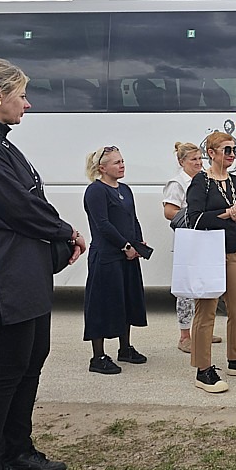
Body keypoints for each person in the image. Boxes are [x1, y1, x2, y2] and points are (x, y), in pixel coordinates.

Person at [0, 57, 85, 470]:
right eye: (22, 95)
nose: (27, 105)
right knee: (3, 370)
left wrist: (52, 242)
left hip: (22, 276)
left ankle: (17, 449)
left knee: (30, 364)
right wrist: (64, 231)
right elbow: (14, 204)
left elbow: (26, 199)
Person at [186, 131, 236, 393]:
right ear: (212, 153)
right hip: (209, 253)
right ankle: (203, 369)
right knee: (206, 311)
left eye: (235, 151)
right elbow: (194, 219)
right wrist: (226, 214)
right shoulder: (201, 182)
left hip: (233, 251)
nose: (232, 155)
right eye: (227, 150)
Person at [83, 146, 148, 374]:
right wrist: (125, 245)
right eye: (116, 162)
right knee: (102, 304)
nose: (122, 165)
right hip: (107, 257)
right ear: (102, 168)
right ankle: (98, 356)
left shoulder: (126, 190)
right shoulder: (96, 191)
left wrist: (138, 243)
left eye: (122, 161)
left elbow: (132, 218)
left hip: (128, 256)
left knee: (127, 300)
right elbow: (103, 224)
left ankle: (125, 348)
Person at [162, 141, 222, 351]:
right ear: (181, 162)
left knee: (205, 284)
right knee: (186, 290)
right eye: (193, 159)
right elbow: (169, 211)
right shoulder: (177, 183)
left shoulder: (205, 178)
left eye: (200, 159)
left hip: (205, 238)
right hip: (188, 238)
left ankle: (203, 329)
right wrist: (194, 214)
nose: (198, 163)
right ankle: (184, 336)